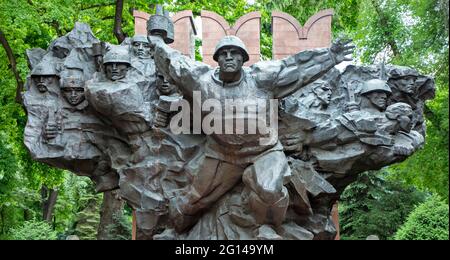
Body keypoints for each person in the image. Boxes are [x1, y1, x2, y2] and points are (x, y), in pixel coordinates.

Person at [151, 35, 354, 232]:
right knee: (194, 201)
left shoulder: (262, 78)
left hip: (264, 151)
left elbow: (296, 68)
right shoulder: (200, 80)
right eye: (224, 53)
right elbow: (173, 62)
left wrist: (330, 56)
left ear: (243, 58)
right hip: (223, 155)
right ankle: (174, 231)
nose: (229, 57)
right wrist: (158, 42)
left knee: (269, 189)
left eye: (235, 53)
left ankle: (267, 228)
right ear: (217, 59)